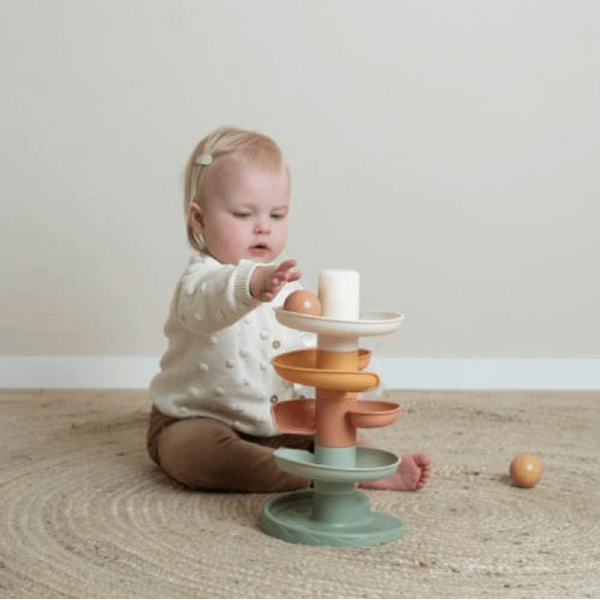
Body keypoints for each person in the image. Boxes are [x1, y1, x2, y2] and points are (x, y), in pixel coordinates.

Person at [147, 126, 432, 493]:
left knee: (333, 432)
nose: (263, 228)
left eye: (277, 216)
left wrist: (353, 391)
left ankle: (346, 466)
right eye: (243, 214)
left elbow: (318, 352)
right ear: (198, 219)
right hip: (198, 420)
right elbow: (211, 304)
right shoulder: (200, 281)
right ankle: (320, 475)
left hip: (280, 426)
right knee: (198, 455)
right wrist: (250, 283)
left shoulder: (289, 291)